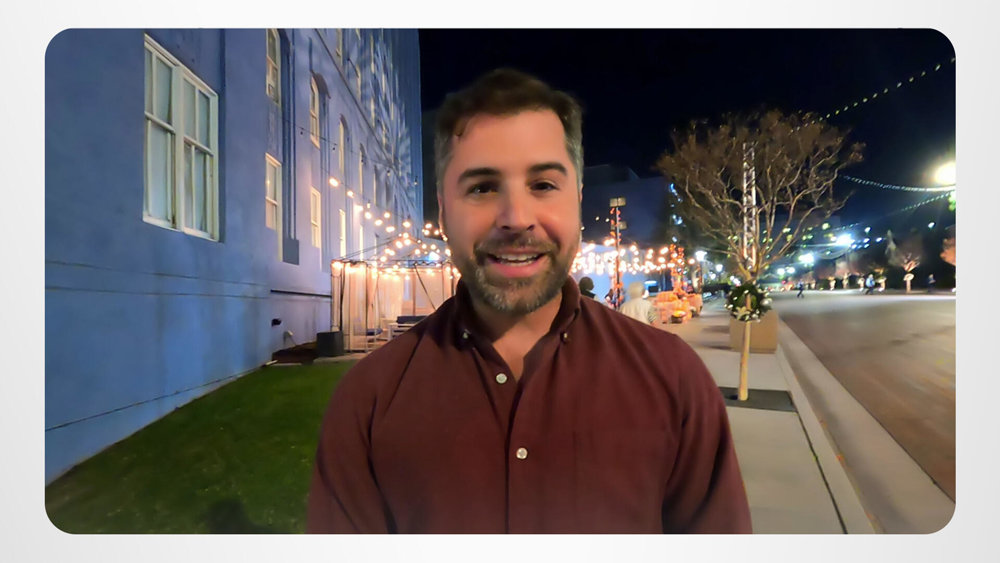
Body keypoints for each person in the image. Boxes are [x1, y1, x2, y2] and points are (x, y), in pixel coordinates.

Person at [306, 68, 751, 534]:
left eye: (543, 185)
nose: (516, 218)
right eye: (482, 187)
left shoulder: (673, 379)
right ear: (443, 208)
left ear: (577, 199)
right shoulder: (369, 401)